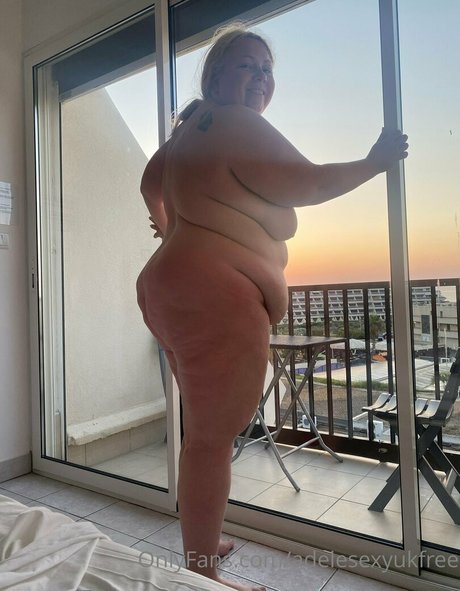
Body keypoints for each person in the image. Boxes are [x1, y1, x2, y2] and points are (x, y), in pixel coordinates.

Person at [136, 23, 408, 591]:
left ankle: (204, 543)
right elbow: (307, 183)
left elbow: (148, 184)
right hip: (212, 298)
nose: (261, 78)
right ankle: (203, 574)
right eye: (248, 66)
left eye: (267, 70)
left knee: (202, 433)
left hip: (167, 288)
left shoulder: (189, 130)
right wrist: (375, 162)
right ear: (217, 76)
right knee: (212, 439)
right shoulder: (236, 121)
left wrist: (172, 230)